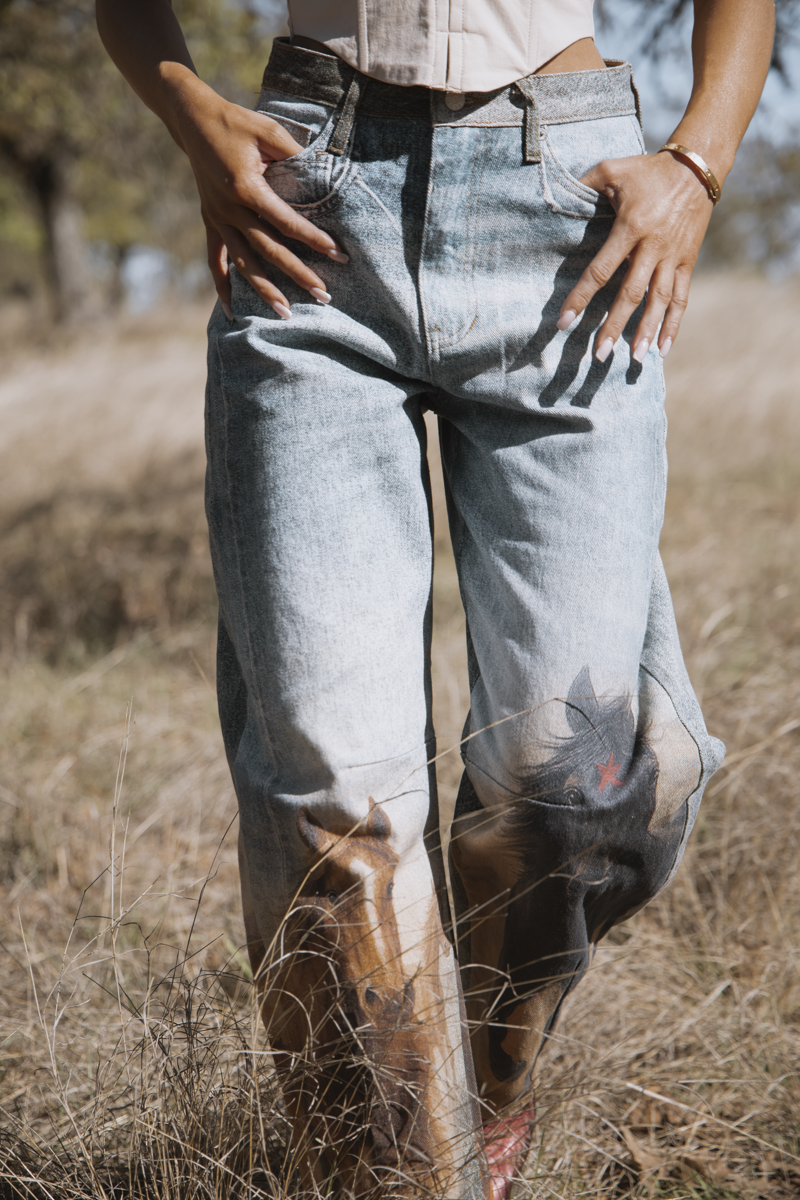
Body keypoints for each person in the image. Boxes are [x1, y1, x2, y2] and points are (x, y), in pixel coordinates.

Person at [97, 1, 774, 1196]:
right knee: (337, 813)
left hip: (568, 211)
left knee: (570, 788)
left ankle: (488, 1091)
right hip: (310, 206)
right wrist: (186, 111)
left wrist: (695, 164)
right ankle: (403, 1172)